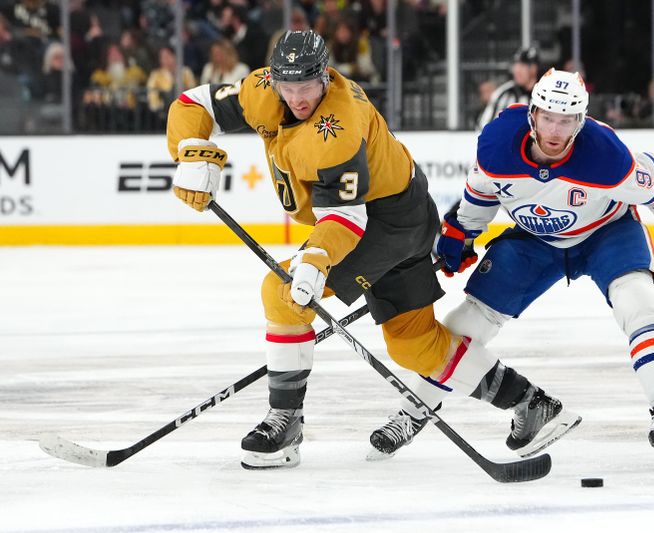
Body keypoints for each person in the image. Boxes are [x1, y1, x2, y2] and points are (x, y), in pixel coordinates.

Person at [165, 30, 580, 470]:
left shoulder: (338, 126)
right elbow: (194, 104)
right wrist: (192, 153)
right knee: (413, 344)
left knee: (281, 292)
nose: (297, 98)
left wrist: (314, 261)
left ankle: (285, 422)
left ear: (324, 76)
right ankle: (531, 403)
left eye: (306, 87)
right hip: (402, 210)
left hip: (389, 224)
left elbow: (347, 220)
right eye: (288, 88)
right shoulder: (262, 89)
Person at [369, 68, 654, 469]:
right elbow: (481, 194)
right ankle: (413, 411)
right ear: (532, 114)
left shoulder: (605, 156)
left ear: (580, 122)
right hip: (536, 241)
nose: (555, 130)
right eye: (548, 117)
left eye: (566, 120)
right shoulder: (498, 145)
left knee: (639, 302)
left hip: (607, 232)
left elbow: (653, 181)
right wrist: (461, 233)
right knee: (466, 323)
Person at [476, 45, 539, 131]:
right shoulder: (503, 94)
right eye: (515, 66)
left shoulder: (546, 94)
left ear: (533, 68)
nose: (517, 70)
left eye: (522, 66)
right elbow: (484, 127)